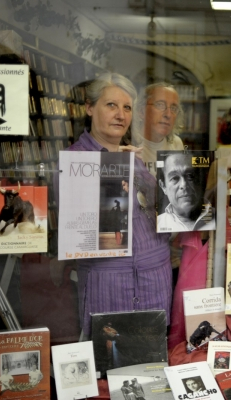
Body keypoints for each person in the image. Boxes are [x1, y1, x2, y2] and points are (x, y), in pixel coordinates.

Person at [63, 72, 172, 337]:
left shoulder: (135, 158)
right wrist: (116, 172)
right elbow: (82, 231)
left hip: (154, 276)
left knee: (151, 364)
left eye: (127, 108)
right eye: (111, 105)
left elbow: (164, 218)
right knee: (111, 361)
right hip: (109, 280)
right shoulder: (74, 160)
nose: (120, 115)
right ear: (90, 108)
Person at [131, 83, 185, 177]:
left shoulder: (176, 144)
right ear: (141, 111)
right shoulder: (129, 143)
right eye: (160, 105)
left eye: (173, 108)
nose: (168, 114)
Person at [157, 152, 215, 232]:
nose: (183, 185)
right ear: (163, 186)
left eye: (190, 176)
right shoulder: (158, 224)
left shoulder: (219, 218)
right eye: (174, 178)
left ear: (200, 180)